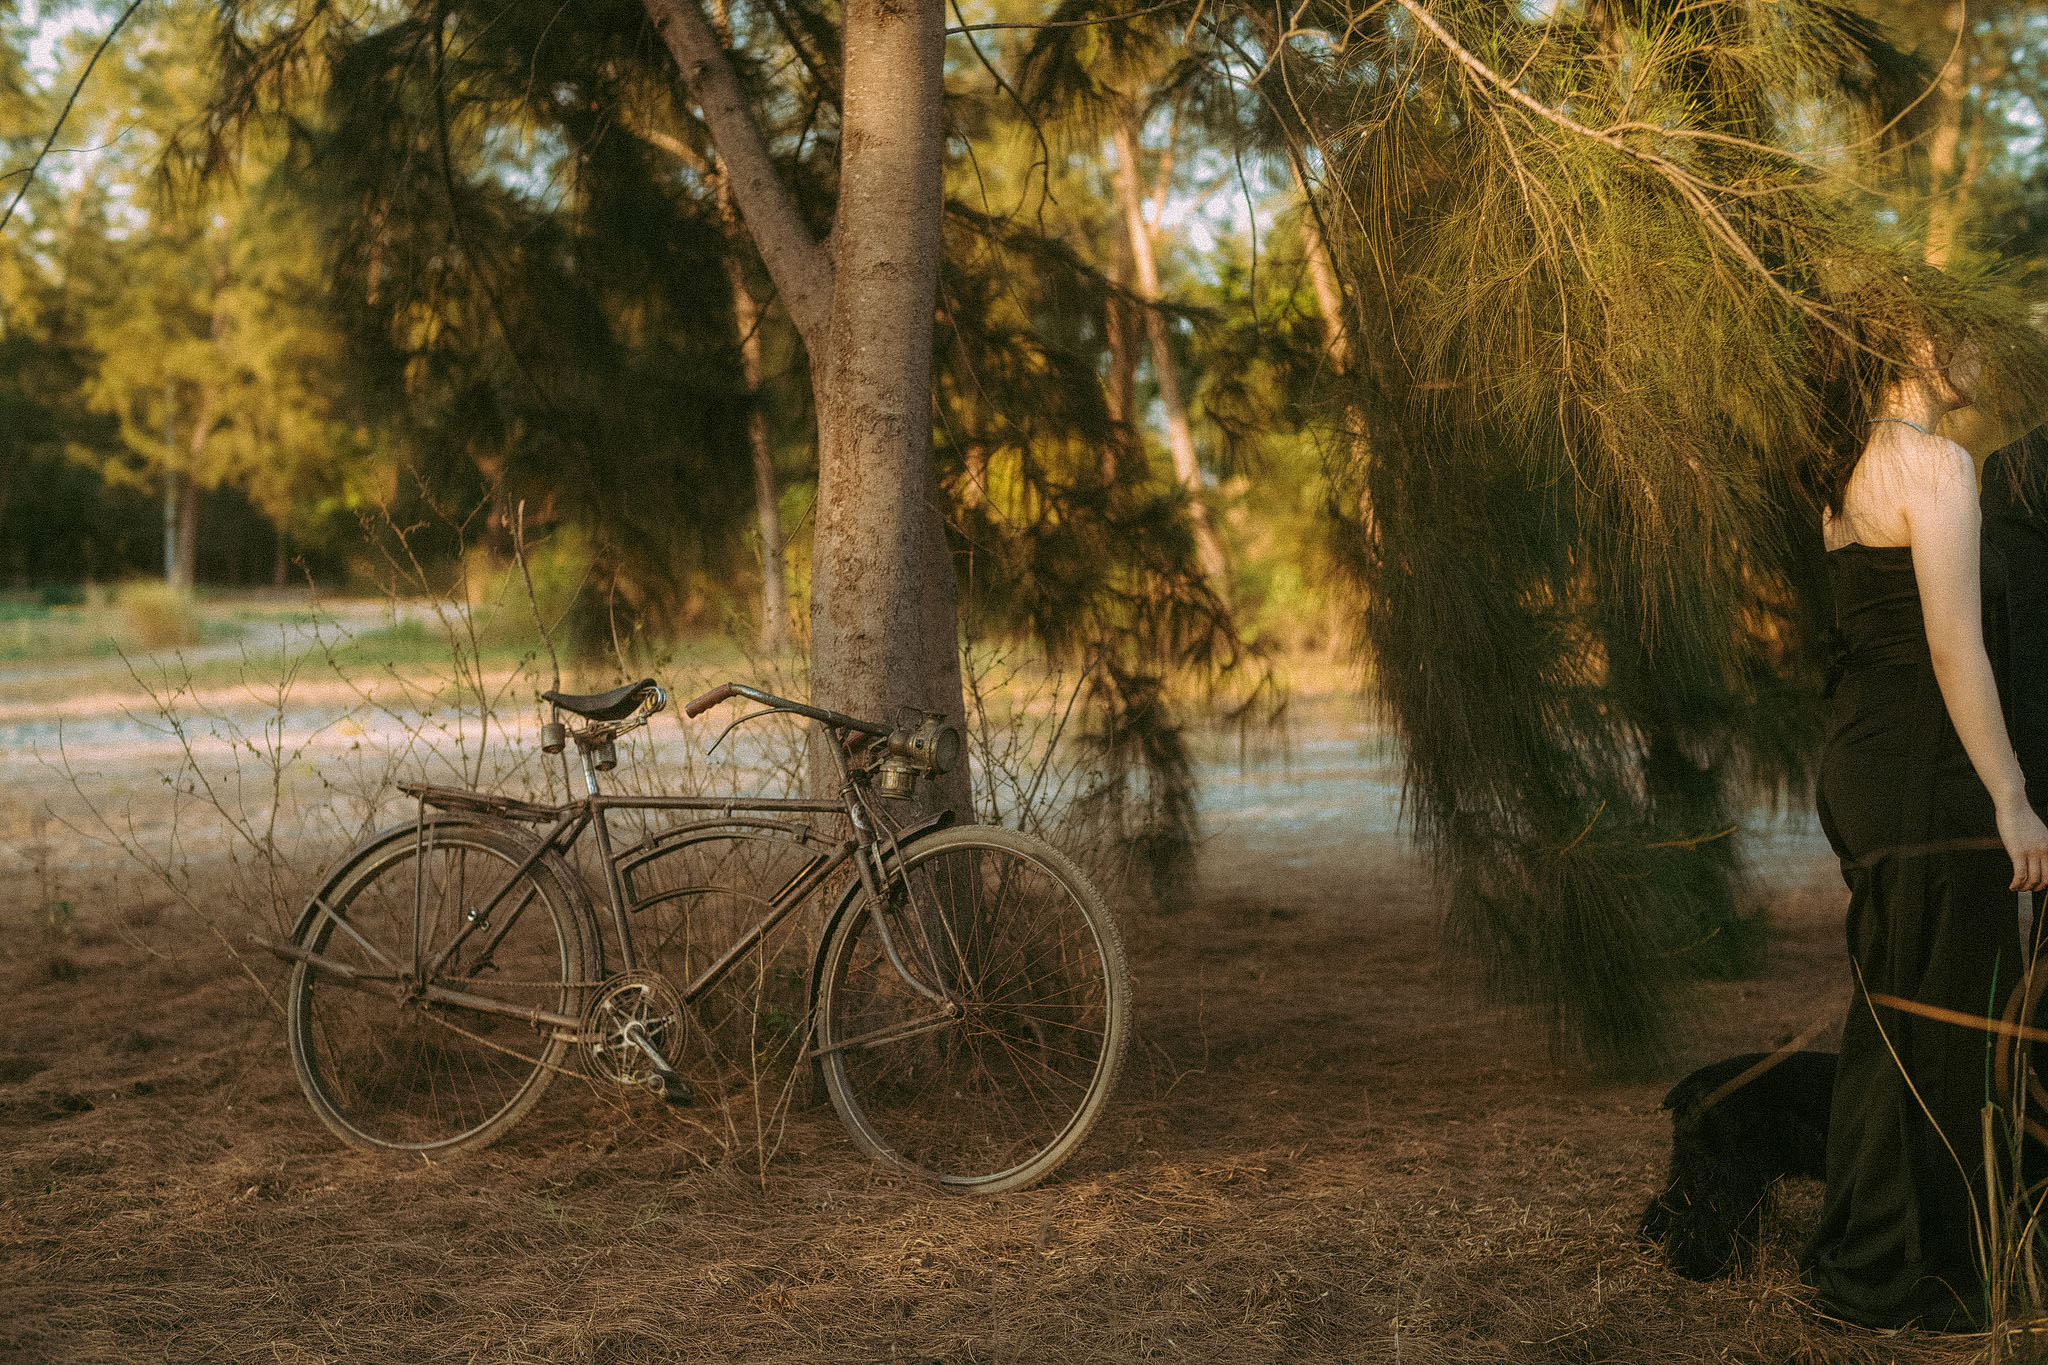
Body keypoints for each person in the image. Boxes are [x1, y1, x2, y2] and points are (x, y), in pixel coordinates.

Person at [1804, 332, 2048, 1331]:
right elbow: (1955, 652)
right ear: (1919, 344)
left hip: (1862, 761)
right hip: (1924, 775)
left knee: (1893, 1013)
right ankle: (1916, 1273)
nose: (1986, 351)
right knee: (1950, 1022)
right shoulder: (1934, 464)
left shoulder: (1847, 466)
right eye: (1968, 333)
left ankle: (1875, 1257)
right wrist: (2010, 796)